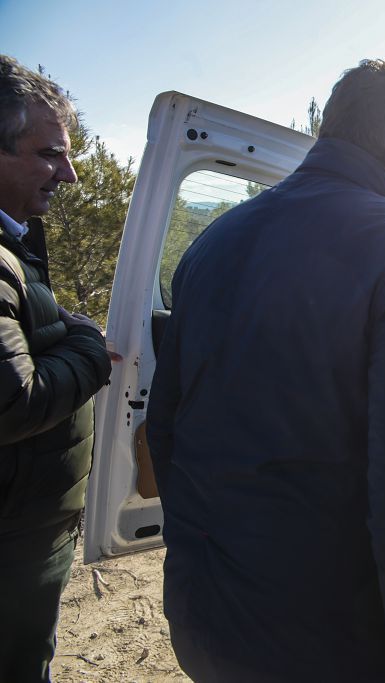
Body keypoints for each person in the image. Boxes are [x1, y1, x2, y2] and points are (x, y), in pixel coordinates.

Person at [146, 60, 385, 682]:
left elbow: (167, 427)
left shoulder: (212, 241)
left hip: (208, 614)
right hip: (329, 637)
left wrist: (194, 573)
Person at [0, 55, 113, 682]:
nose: (67, 174)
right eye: (49, 154)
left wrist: (60, 324)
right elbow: (13, 401)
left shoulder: (14, 243)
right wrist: (90, 350)